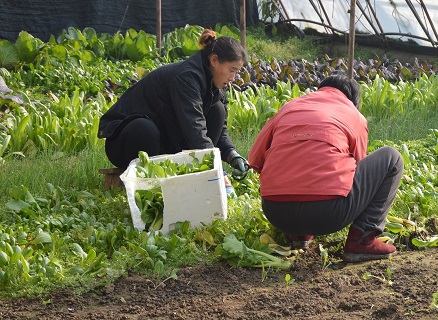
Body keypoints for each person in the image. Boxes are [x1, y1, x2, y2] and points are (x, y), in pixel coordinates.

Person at [248, 75, 404, 262]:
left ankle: (299, 235)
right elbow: (358, 167)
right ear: (354, 101)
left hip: (277, 213)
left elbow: (254, 160)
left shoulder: (288, 108)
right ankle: (361, 240)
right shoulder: (353, 115)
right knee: (392, 157)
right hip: (329, 215)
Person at [97, 29, 250, 194]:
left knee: (217, 111)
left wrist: (232, 155)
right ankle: (146, 185)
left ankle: (196, 173)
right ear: (214, 60)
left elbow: (220, 130)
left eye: (237, 72)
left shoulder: (217, 84)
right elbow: (195, 130)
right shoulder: (187, 77)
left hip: (165, 138)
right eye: (232, 70)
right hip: (125, 142)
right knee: (144, 129)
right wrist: (219, 174)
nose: (233, 77)